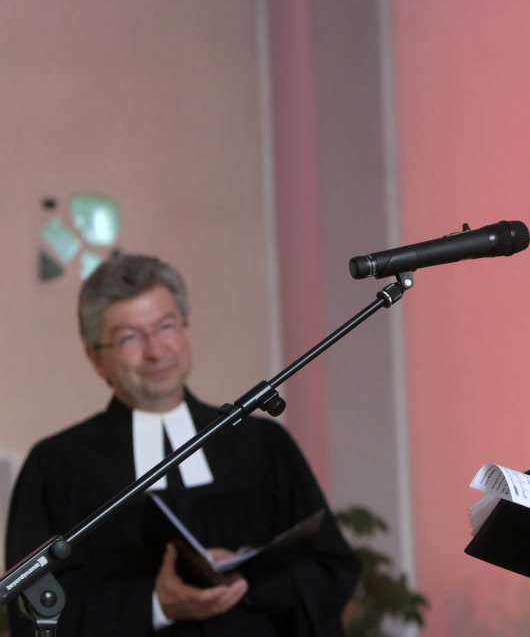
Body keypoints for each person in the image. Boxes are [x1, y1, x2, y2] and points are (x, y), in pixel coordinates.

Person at [5, 254, 361, 636]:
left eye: (166, 327)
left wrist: (249, 581)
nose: (156, 351)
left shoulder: (261, 444)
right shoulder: (58, 464)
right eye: (129, 337)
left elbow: (330, 568)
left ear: (186, 328)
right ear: (96, 358)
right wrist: (155, 604)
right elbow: (30, 606)